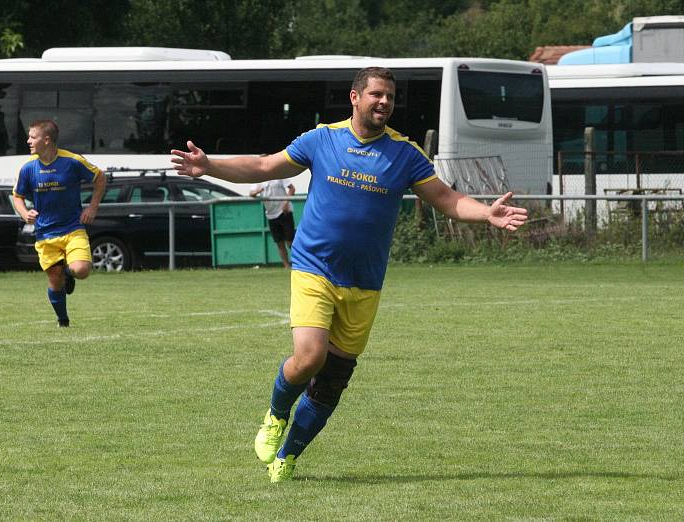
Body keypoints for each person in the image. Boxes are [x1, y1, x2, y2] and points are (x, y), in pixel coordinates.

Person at [171, 67, 528, 483]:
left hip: (364, 282)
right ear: (355, 98)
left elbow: (446, 199)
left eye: (390, 97)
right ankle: (275, 414)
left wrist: (486, 213)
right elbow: (266, 166)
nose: (384, 103)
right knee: (310, 357)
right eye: (376, 94)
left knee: (332, 382)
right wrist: (209, 165)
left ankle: (287, 456)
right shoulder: (321, 139)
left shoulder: (405, 153)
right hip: (313, 268)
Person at [13, 120, 105, 327]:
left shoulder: (72, 161)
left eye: (32, 137)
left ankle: (68, 272)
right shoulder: (28, 168)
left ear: (46, 140)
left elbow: (100, 178)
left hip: (73, 228)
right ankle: (63, 321)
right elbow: (17, 196)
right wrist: (24, 213)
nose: (28, 141)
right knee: (54, 280)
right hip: (45, 233)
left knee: (81, 270)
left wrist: (92, 207)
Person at [250, 178, 296, 268]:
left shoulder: (280, 174)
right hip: (271, 214)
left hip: (284, 212)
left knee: (290, 242)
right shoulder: (258, 178)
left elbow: (292, 188)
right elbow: (251, 193)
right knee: (279, 242)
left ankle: (301, 263)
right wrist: (257, 191)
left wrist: (286, 202)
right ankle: (286, 266)